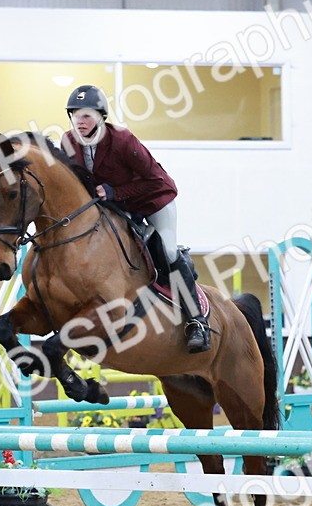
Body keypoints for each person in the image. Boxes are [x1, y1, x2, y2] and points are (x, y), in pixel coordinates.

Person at [59, 85, 209, 353]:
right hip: (115, 206)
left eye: (86, 116)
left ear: (100, 117)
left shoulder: (123, 140)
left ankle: (197, 322)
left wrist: (117, 191)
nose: (80, 122)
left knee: (167, 250)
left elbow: (155, 182)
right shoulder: (68, 142)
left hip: (153, 200)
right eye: (75, 116)